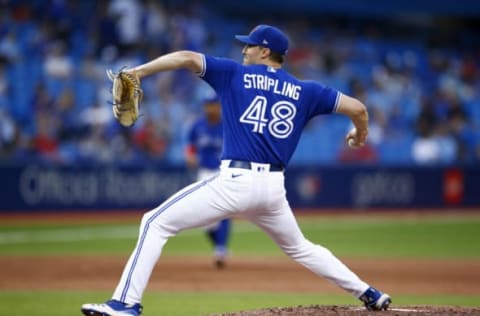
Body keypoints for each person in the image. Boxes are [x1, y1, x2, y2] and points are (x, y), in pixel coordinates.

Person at [81, 24, 391, 316]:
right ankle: (369, 292)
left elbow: (187, 58)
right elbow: (359, 109)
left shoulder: (234, 74)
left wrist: (138, 71)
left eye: (250, 46)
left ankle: (125, 305)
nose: (244, 50)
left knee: (154, 223)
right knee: (301, 248)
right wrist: (359, 135)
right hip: (272, 190)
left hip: (236, 181)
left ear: (265, 52)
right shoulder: (307, 91)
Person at [185, 95, 231, 268]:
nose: (210, 108)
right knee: (204, 220)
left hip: (223, 172)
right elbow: (190, 146)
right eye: (207, 105)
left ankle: (220, 249)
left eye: (213, 105)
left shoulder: (228, 125)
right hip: (204, 172)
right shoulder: (198, 126)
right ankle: (219, 246)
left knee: (224, 211)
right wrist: (189, 155)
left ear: (219, 107)